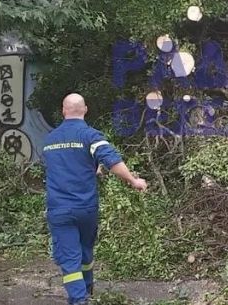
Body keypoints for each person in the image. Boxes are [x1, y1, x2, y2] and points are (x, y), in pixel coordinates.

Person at [43, 93, 148, 305]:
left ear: (64, 111)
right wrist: (133, 180)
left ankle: (79, 299)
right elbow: (111, 159)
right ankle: (87, 289)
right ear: (85, 110)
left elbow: (62, 166)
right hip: (85, 208)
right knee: (85, 250)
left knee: (69, 258)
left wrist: (92, 169)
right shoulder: (90, 135)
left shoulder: (49, 140)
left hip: (60, 209)